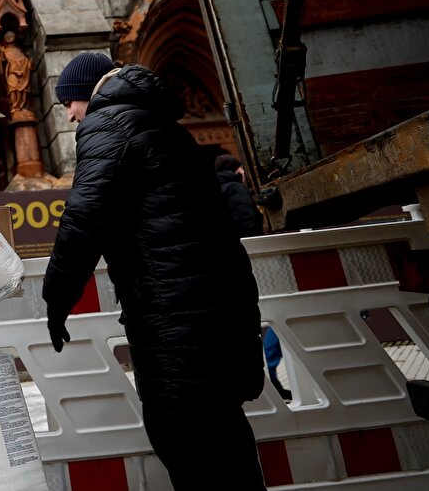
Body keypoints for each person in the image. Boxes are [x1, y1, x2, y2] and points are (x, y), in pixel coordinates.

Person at [42, 53, 266, 490]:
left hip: (175, 326)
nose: (69, 114)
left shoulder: (109, 124)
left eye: (69, 101)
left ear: (89, 91)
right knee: (230, 451)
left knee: (190, 452)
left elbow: (83, 220)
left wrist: (56, 300)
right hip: (217, 321)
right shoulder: (164, 125)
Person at [215, 153, 290, 400]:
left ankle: (269, 380)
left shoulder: (210, 189)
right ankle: (271, 377)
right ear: (238, 171)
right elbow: (247, 223)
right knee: (274, 317)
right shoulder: (235, 189)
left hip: (226, 264)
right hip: (253, 262)